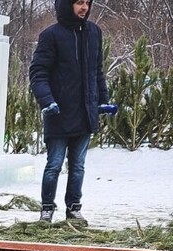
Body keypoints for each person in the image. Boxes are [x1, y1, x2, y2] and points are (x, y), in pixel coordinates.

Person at [29, 0, 117, 223]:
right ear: (67, 5)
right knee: (54, 165)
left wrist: (103, 101)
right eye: (79, 2)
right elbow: (38, 72)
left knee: (78, 167)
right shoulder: (51, 35)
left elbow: (97, 72)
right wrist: (47, 101)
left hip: (85, 113)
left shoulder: (94, 33)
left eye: (87, 2)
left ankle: (74, 210)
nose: (84, 7)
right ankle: (47, 209)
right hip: (58, 113)